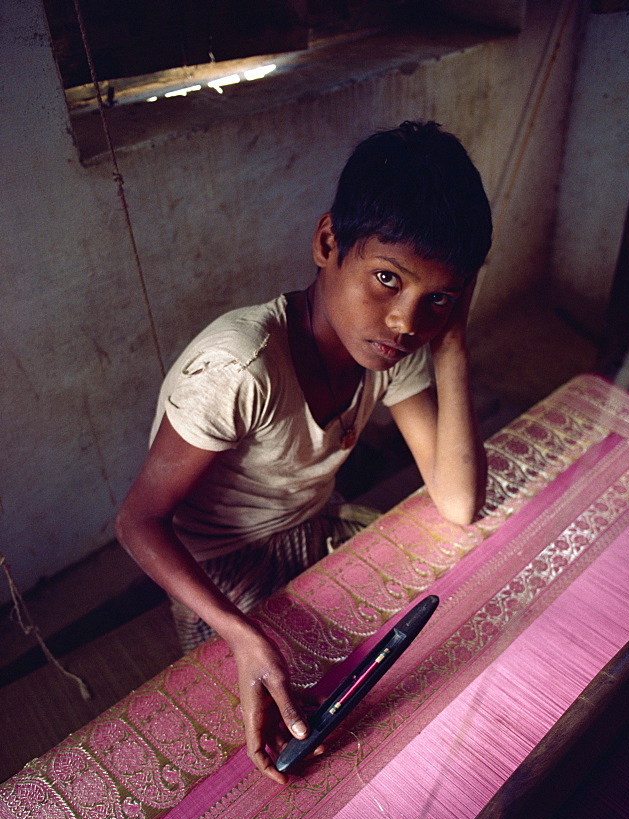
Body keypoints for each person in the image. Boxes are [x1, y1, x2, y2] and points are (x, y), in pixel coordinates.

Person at [115, 120, 492, 784]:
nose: (407, 321)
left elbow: (459, 501)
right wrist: (238, 632)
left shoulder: (386, 350)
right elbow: (138, 521)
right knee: (299, 725)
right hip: (221, 564)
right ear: (327, 242)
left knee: (440, 627)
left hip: (311, 525)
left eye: (437, 300)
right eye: (386, 278)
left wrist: (454, 341)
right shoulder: (240, 366)